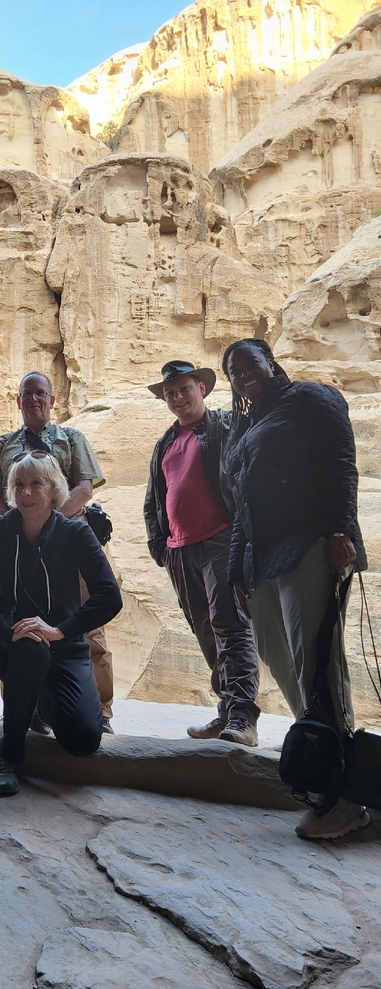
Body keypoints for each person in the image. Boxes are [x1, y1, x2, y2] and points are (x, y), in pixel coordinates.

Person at [222, 338, 370, 840]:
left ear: (271, 363)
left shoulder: (308, 397)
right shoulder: (245, 424)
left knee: (316, 662)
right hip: (262, 559)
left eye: (250, 364)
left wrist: (340, 531)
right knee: (279, 657)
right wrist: (235, 571)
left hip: (310, 541)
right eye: (234, 370)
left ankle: (347, 798)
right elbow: (241, 502)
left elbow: (340, 463)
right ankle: (326, 760)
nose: (243, 374)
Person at [0, 453, 122, 796]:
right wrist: (8, 630)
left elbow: (109, 596)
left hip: (65, 648)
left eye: (36, 484)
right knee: (30, 650)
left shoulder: (75, 533)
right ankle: (9, 754)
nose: (26, 493)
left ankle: (38, 699)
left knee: (83, 740)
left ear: (54, 489)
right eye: (18, 484)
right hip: (11, 646)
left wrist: (59, 630)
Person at [0, 371, 116, 733]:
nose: (34, 399)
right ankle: (22, 713)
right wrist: (19, 531)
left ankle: (100, 711)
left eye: (41, 393)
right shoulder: (2, 446)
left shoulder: (72, 438)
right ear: (18, 401)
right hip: (21, 555)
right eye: (27, 394)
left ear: (52, 401)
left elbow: (84, 489)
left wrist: (48, 525)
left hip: (71, 551)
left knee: (89, 628)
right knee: (19, 625)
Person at [144, 360, 261, 746]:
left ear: (202, 388)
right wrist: (161, 548)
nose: (177, 397)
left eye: (184, 388)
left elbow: (245, 476)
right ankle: (228, 711)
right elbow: (154, 501)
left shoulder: (225, 426)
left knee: (230, 625)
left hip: (220, 541)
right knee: (207, 631)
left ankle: (244, 717)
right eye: (170, 392)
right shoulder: (164, 442)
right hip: (181, 550)